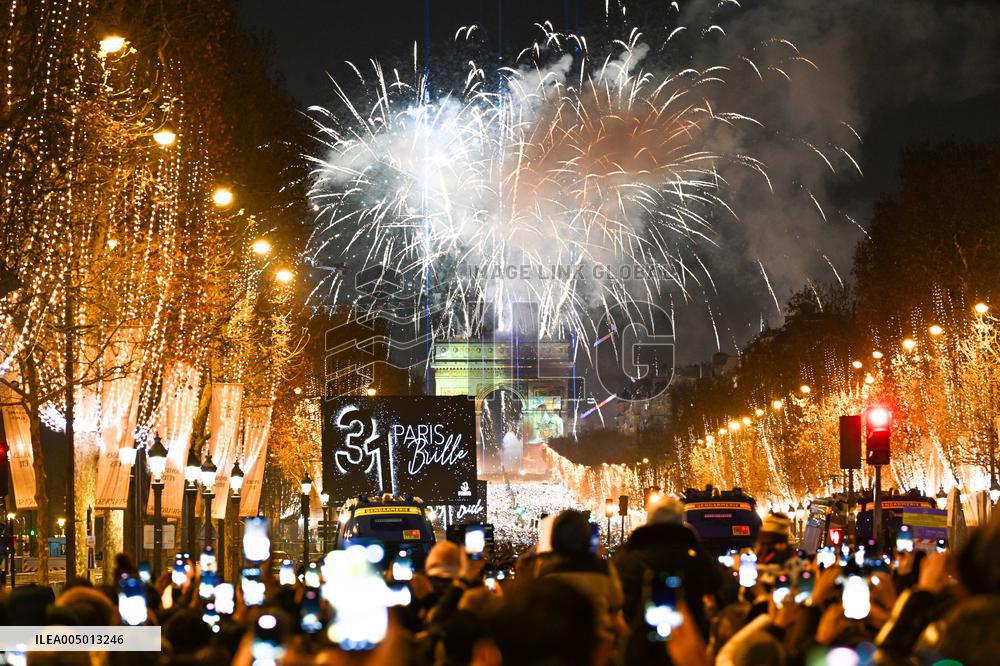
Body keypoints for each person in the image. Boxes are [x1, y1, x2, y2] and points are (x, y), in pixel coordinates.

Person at [613, 496, 723, 665]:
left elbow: (616, 582)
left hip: (638, 640)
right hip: (686, 636)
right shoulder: (693, 555)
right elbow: (716, 581)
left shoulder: (631, 554)